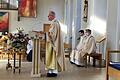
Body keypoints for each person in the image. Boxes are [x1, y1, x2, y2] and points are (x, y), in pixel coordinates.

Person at [45, 11, 65, 77]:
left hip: (53, 44)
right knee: (51, 58)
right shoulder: (55, 23)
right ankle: (51, 71)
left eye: (49, 15)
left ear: (52, 16)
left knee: (52, 57)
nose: (48, 17)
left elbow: (53, 35)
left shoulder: (55, 23)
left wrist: (46, 34)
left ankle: (53, 72)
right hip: (52, 43)